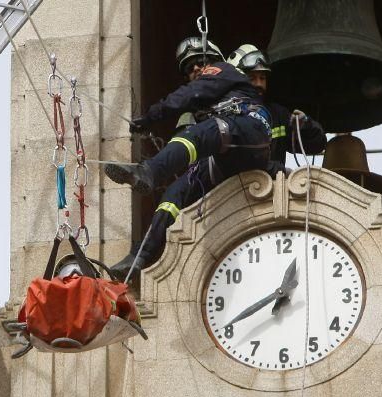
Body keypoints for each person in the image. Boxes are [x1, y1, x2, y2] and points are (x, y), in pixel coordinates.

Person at [107, 36, 271, 280]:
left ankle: (150, 172)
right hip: (226, 152)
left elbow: (192, 93)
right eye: (188, 67)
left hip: (249, 130)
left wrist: (152, 115)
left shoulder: (224, 70)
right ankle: (141, 256)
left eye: (200, 62)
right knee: (175, 193)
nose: (195, 69)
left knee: (198, 134)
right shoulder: (210, 106)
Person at [225, 44, 326, 177]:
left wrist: (306, 126)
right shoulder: (225, 114)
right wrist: (281, 171)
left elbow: (317, 145)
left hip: (274, 194)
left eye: (262, 78)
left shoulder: (277, 114)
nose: (259, 84)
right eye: (252, 78)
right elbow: (241, 159)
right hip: (234, 192)